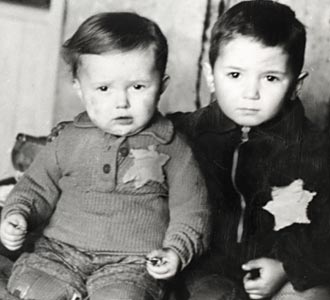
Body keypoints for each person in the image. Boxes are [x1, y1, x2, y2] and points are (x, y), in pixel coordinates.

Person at [0, 12, 210, 300]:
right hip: (59, 252)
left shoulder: (173, 146)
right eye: (103, 88)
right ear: (79, 87)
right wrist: (18, 213)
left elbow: (192, 209)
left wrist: (175, 249)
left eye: (137, 87)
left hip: (132, 264)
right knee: (31, 288)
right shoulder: (68, 139)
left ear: (161, 84)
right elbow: (36, 186)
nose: (121, 102)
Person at [169, 1, 330, 299]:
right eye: (235, 75)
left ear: (295, 84)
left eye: (270, 78)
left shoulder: (315, 148)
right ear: (210, 75)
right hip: (208, 270)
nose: (250, 93)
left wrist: (287, 267)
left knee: (312, 293)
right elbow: (140, 131)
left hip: (284, 269)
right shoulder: (186, 132)